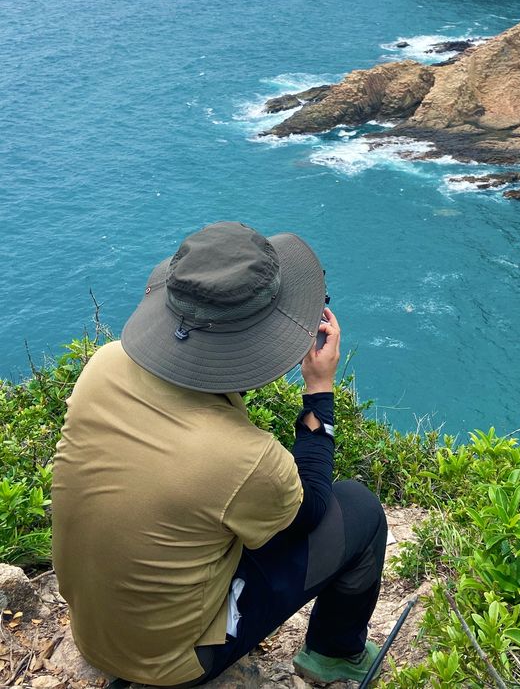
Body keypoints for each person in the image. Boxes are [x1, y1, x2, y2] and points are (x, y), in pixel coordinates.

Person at [52, 221, 387, 688]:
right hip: (172, 663)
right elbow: (312, 510)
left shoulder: (104, 364)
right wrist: (319, 391)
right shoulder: (244, 457)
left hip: (93, 631)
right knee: (361, 510)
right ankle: (335, 653)